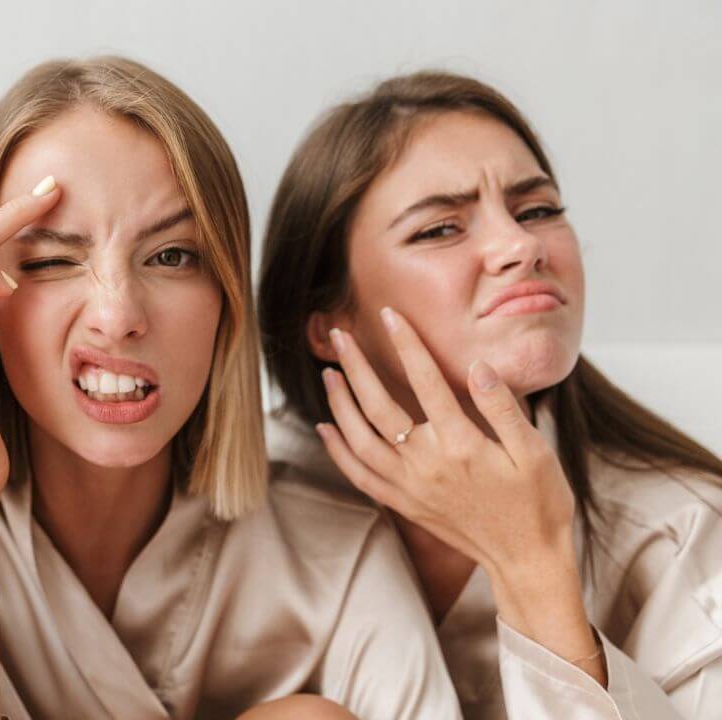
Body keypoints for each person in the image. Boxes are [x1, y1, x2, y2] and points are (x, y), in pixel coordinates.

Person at [0, 56, 461, 719]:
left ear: (227, 295)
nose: (118, 317)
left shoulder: (333, 554)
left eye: (171, 257)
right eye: (52, 260)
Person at [259, 70, 722, 719]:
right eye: (440, 229)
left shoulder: (688, 541)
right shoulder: (249, 503)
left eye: (537, 210)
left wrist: (530, 565)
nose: (521, 245)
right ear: (329, 325)